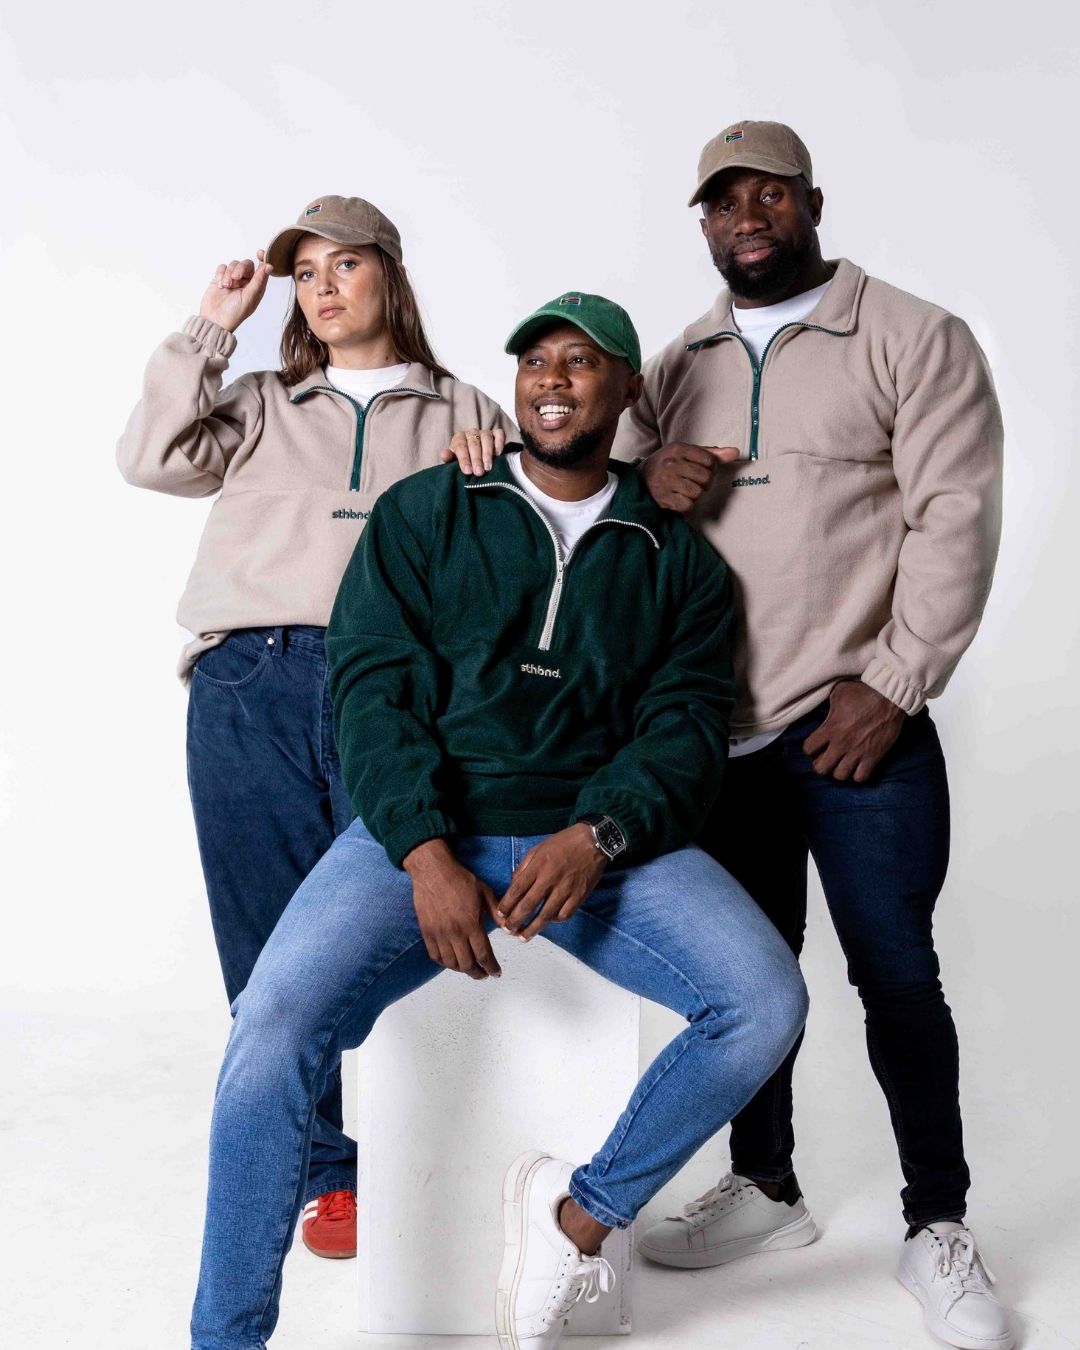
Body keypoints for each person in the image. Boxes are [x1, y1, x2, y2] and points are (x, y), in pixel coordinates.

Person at [187, 292, 809, 1350]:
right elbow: (373, 690)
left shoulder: (678, 561)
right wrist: (424, 853)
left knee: (762, 1000)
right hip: (427, 839)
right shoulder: (432, 510)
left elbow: (687, 729)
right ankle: (226, 1338)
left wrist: (600, 834)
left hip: (596, 850)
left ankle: (578, 1216)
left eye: (582, 362)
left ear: (627, 391)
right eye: (535, 362)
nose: (553, 379)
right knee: (272, 1026)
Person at [614, 121, 1010, 1349]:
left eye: (769, 193)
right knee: (755, 982)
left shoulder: (912, 334)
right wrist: (647, 471)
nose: (748, 214)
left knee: (896, 976)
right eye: (724, 199)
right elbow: (602, 503)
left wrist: (893, 680)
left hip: (856, 728)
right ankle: (769, 1187)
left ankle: (938, 1222)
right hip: (713, 734)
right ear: (703, 221)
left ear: (812, 202)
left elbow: (956, 513)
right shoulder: (674, 361)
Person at [117, 195, 515, 1260]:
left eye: (345, 265)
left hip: (391, 696)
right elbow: (150, 457)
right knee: (264, 951)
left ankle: (420, 1145)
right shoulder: (258, 401)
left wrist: (494, 467)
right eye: (305, 274)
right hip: (249, 680)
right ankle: (329, 1172)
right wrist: (210, 323)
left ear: (390, 272)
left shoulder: (465, 408)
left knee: (380, 931)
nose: (324, 287)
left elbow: (520, 549)